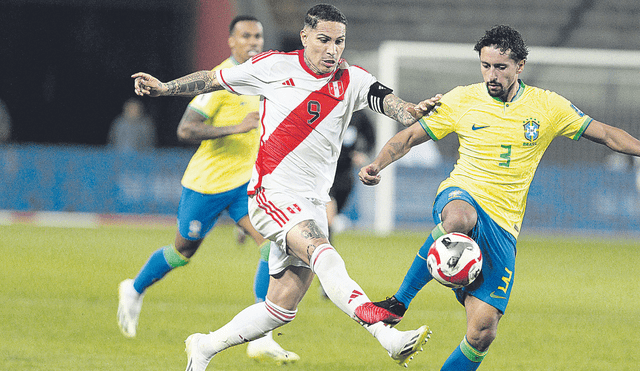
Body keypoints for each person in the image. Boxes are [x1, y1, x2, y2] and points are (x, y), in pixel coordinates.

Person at [132, 4, 442, 370]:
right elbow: (213, 79)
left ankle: (203, 346)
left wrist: (413, 110)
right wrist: (165, 88)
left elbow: (392, 105)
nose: (332, 50)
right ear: (305, 37)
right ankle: (387, 336)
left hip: (311, 202)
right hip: (271, 194)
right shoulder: (274, 66)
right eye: (324, 40)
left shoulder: (352, 79)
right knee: (324, 254)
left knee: (279, 309)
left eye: (339, 42)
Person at [356, 25, 640, 371]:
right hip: (462, 193)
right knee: (459, 219)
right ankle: (398, 304)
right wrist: (377, 164)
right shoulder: (461, 99)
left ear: (520, 66)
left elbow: (608, 134)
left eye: (500, 67)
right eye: (485, 65)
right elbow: (410, 136)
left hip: (503, 224)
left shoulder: (547, 106)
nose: (491, 74)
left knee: (482, 333)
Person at [118, 15, 300, 364]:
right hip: (207, 184)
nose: (254, 43)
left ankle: (262, 336)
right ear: (231, 42)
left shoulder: (263, 78)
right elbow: (186, 130)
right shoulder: (222, 80)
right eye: (245, 36)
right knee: (182, 252)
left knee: (273, 247)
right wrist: (236, 127)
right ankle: (134, 288)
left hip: (244, 187)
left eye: (258, 36)